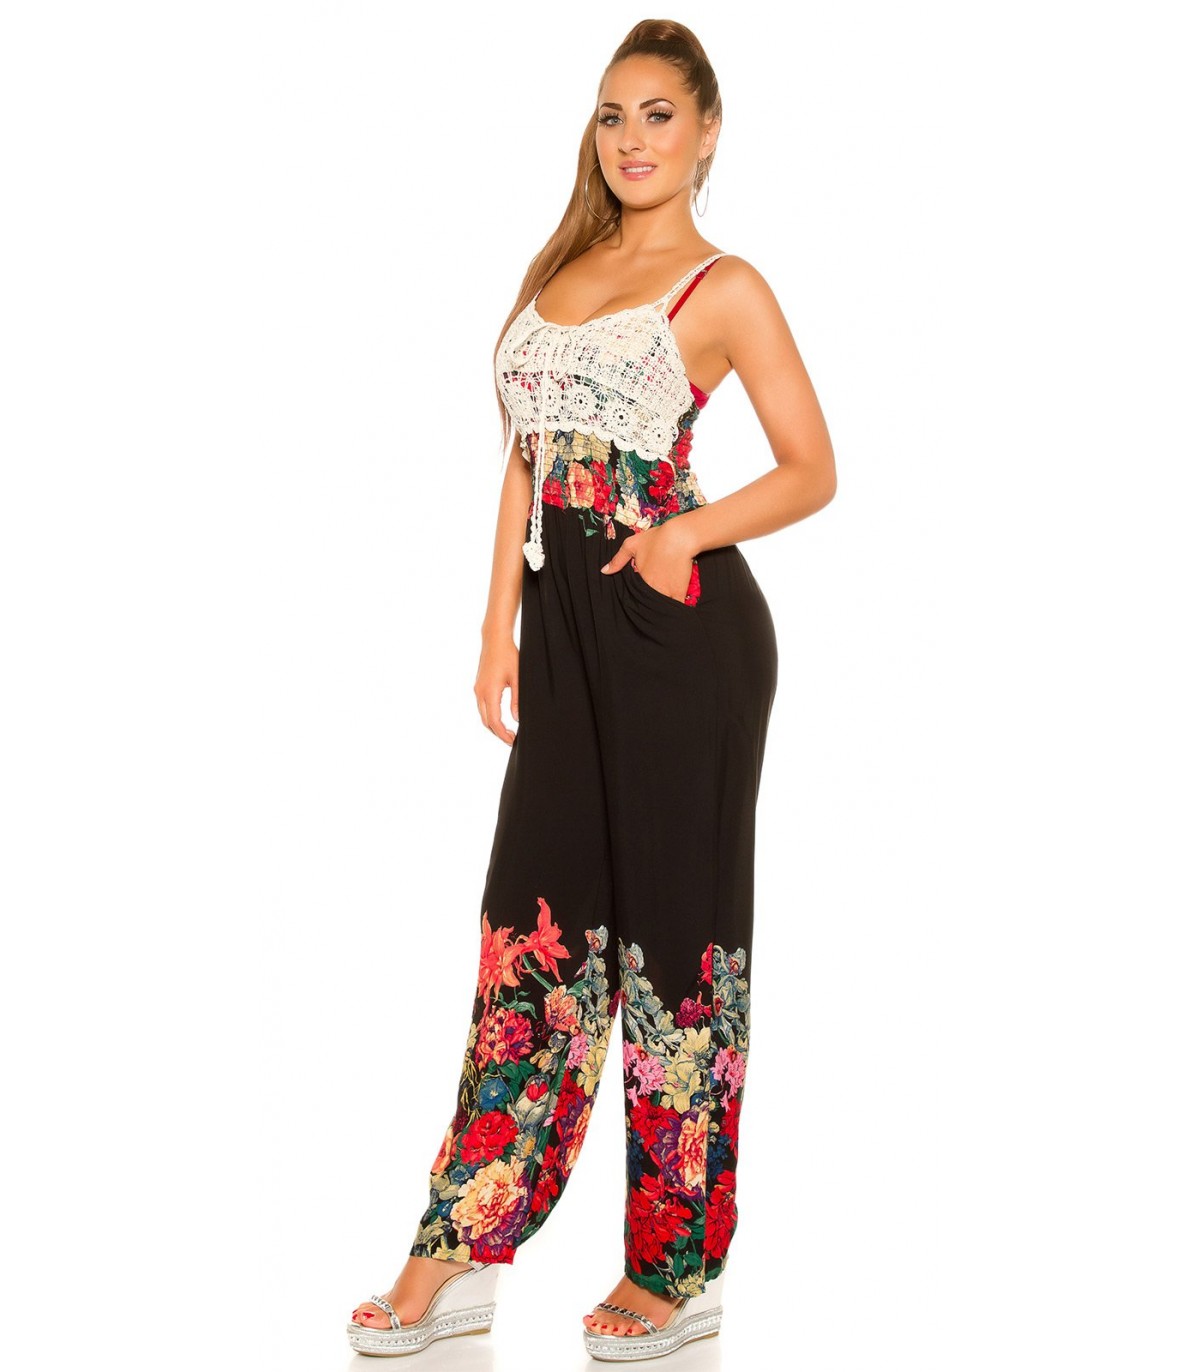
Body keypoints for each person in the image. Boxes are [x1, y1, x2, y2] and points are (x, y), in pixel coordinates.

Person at [347, 16, 836, 1362]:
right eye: (612, 114)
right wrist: (496, 624)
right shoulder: (560, 269)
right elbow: (522, 457)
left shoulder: (723, 287)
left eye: (658, 115)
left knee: (679, 946)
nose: (631, 138)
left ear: (708, 131)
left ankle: (677, 1271)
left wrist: (684, 534)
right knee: (533, 930)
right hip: (562, 637)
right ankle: (458, 1246)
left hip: (681, 635)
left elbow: (812, 467)